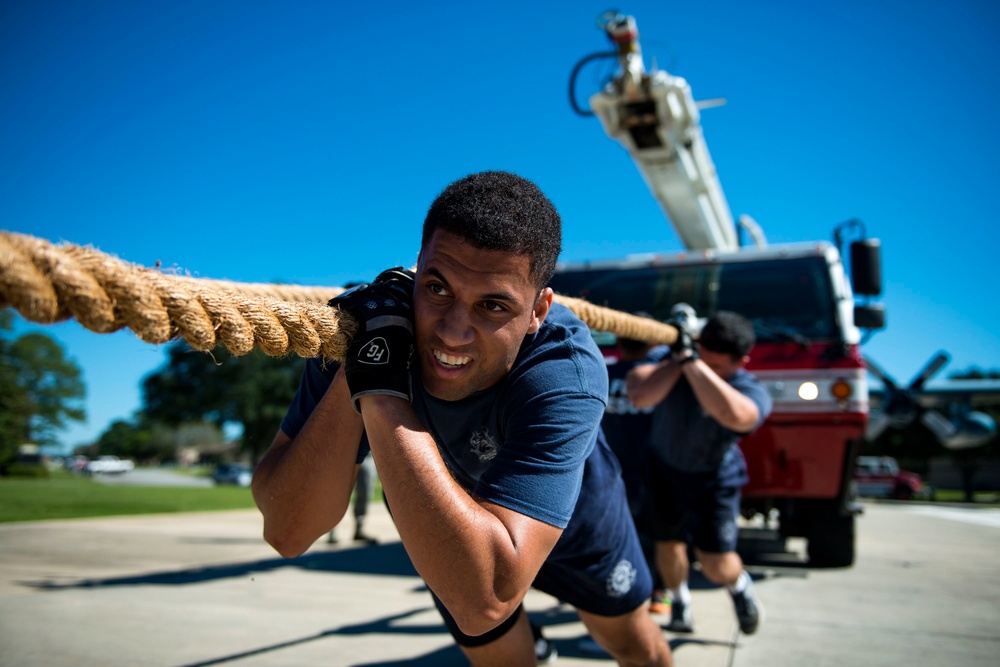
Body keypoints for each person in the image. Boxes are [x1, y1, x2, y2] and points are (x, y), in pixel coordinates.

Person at [252, 171, 673, 666]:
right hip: (448, 520)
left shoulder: (566, 371)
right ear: (417, 268)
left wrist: (381, 390)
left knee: (636, 650)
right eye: (437, 287)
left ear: (538, 310)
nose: (453, 333)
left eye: (493, 305)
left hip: (578, 527)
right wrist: (360, 371)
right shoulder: (369, 332)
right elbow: (288, 529)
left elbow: (487, 599)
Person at [626, 310, 772, 636]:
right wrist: (679, 359)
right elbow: (639, 394)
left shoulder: (748, 386)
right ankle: (679, 600)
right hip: (664, 468)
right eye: (704, 357)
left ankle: (739, 587)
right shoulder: (672, 358)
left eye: (716, 366)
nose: (707, 367)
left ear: (741, 362)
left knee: (715, 563)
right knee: (668, 544)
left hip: (714, 477)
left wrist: (693, 364)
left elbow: (737, 417)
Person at [600, 330, 667, 614]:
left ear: (618, 343)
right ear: (652, 343)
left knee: (619, 533)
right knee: (657, 534)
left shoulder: (604, 371)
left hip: (612, 467)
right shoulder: (659, 376)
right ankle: (659, 593)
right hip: (653, 466)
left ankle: (620, 588)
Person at [327, 453, 378, 545]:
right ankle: (331, 530)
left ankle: (359, 529)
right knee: (337, 492)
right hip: (343, 451)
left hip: (366, 453)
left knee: (365, 490)